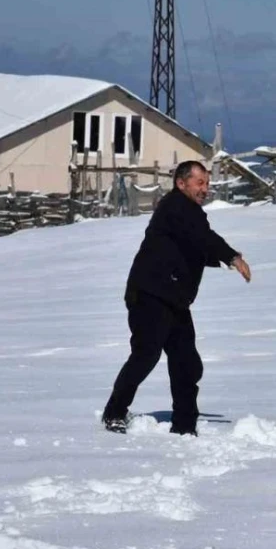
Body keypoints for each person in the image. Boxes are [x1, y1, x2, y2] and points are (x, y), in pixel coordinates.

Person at [101, 160, 252, 436]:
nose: (205, 189)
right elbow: (203, 237)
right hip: (149, 294)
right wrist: (232, 256)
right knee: (146, 355)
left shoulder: (188, 212)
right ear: (181, 183)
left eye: (207, 183)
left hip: (174, 298)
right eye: (199, 183)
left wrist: (221, 259)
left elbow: (195, 244)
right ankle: (114, 413)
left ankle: (184, 425)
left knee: (187, 362)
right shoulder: (176, 207)